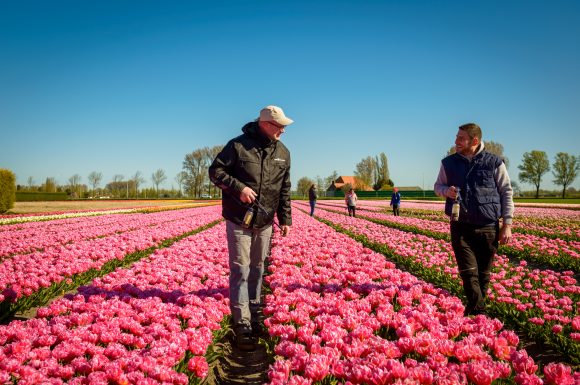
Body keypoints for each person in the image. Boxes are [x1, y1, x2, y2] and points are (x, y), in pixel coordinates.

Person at [208, 105, 293, 351]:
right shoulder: (238, 146)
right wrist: (240, 188)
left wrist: (285, 218)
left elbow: (284, 187)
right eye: (279, 126)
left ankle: (255, 313)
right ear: (265, 123)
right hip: (239, 218)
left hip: (265, 222)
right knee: (240, 269)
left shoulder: (284, 153)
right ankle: (242, 323)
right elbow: (216, 172)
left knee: (258, 268)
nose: (283, 131)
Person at [434, 122, 514, 317]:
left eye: (461, 138)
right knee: (468, 273)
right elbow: (438, 186)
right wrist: (447, 191)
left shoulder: (494, 162)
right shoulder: (448, 162)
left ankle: (474, 312)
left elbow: (506, 192)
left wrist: (507, 224)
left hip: (488, 226)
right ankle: (479, 314)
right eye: (456, 137)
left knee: (483, 275)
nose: (456, 141)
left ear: (474, 140)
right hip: (460, 226)